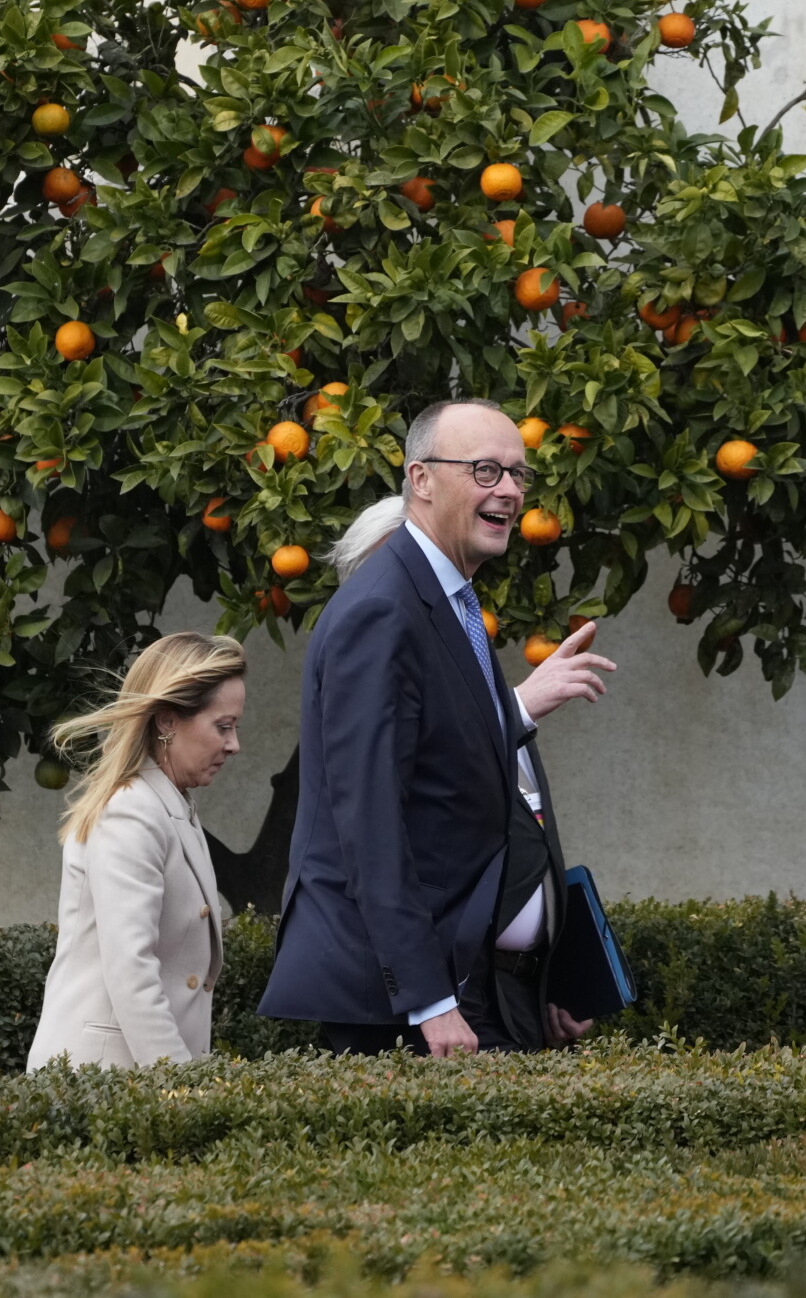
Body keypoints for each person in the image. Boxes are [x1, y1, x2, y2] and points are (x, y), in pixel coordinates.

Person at [258, 398, 617, 1056]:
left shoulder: (447, 599)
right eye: (485, 470)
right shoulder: (383, 609)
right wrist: (430, 999)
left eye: (517, 474)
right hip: (406, 1006)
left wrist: (534, 982)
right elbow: (369, 818)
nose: (509, 489)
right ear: (420, 479)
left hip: (466, 986)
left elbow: (455, 788)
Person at [27, 631, 245, 1069]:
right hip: (101, 1079)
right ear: (167, 721)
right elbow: (132, 971)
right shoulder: (132, 811)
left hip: (130, 1078)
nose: (233, 744)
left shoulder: (168, 804)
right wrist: (179, 1085)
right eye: (222, 727)